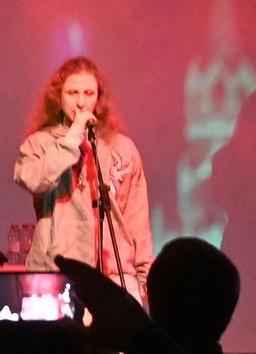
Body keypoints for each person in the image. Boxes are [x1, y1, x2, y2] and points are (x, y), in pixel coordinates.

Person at [14, 57, 154, 296]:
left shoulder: (122, 148)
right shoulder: (40, 144)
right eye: (72, 93)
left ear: (99, 98)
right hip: (54, 274)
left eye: (88, 93)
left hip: (115, 275)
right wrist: (72, 137)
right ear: (58, 97)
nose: (80, 102)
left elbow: (136, 219)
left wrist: (144, 277)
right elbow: (33, 180)